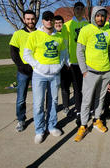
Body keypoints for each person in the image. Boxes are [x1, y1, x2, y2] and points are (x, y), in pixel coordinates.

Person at [23, 11, 69, 144]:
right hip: (39, 75)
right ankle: (39, 130)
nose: (49, 21)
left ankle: (52, 126)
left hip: (54, 75)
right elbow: (27, 55)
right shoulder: (34, 35)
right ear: (42, 21)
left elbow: (64, 54)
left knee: (53, 102)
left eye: (51, 19)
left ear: (54, 21)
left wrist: (59, 65)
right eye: (46, 19)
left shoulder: (59, 37)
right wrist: (38, 66)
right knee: (38, 104)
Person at [74, 6, 110, 142]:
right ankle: (83, 125)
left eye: (102, 16)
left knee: (100, 99)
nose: (100, 18)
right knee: (87, 100)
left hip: (106, 72)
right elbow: (79, 51)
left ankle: (97, 120)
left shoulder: (109, 31)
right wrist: (84, 70)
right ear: (93, 16)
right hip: (90, 72)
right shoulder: (86, 30)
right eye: (97, 15)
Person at [9, 10, 36, 132]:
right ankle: (21, 119)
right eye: (28, 19)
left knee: (39, 97)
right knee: (21, 98)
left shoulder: (40, 33)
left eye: (32, 19)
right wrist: (21, 66)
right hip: (23, 71)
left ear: (36, 19)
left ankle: (40, 118)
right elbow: (13, 52)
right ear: (24, 20)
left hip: (37, 71)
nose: (30, 21)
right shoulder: (18, 34)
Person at [64, 2, 89, 125]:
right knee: (77, 89)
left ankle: (88, 110)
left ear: (84, 10)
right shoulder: (67, 25)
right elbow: (64, 44)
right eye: (77, 9)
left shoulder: (88, 24)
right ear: (74, 10)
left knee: (87, 89)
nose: (79, 10)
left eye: (81, 9)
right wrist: (67, 60)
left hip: (87, 63)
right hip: (74, 63)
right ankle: (79, 112)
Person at [53, 15, 72, 116]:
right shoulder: (51, 34)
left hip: (65, 65)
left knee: (65, 87)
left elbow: (67, 49)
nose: (58, 25)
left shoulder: (66, 32)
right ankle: (50, 107)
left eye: (60, 23)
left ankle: (66, 106)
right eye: (56, 23)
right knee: (53, 88)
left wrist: (67, 62)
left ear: (63, 23)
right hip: (53, 65)